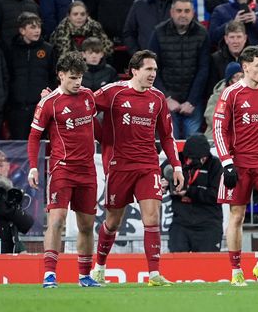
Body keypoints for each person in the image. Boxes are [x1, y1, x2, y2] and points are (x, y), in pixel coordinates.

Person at [90, 50, 184, 287]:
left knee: (152, 217)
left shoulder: (158, 98)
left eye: (154, 69)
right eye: (148, 69)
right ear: (134, 70)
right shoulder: (113, 92)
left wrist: (177, 166)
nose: (153, 74)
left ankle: (154, 275)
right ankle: (99, 268)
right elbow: (85, 105)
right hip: (119, 165)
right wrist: (102, 137)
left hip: (147, 165)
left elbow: (167, 135)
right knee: (113, 221)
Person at [213, 45, 258, 286]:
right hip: (239, 163)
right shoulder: (231, 94)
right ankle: (236, 270)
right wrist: (227, 163)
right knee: (237, 217)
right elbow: (219, 130)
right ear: (245, 67)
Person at [27, 51, 100, 288]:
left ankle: (84, 275)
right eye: (72, 77)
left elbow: (96, 127)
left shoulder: (88, 96)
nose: (77, 82)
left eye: (80, 77)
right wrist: (33, 167)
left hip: (88, 170)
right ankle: (49, 274)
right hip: (62, 169)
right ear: (60, 75)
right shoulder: (48, 103)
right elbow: (34, 137)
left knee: (87, 225)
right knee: (56, 219)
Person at [148, 0, 210, 139]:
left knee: (193, 142)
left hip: (193, 100)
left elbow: (203, 69)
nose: (183, 15)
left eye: (187, 11)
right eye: (179, 11)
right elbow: (151, 69)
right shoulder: (158, 32)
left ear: (193, 13)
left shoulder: (202, 33)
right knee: (169, 141)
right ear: (172, 12)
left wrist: (192, 101)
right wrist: (166, 98)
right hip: (167, 98)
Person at [163, 134, 223, 252]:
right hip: (181, 223)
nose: (202, 160)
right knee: (177, 262)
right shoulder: (175, 162)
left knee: (207, 265)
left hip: (208, 223)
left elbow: (216, 195)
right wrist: (162, 183)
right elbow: (157, 174)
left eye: (204, 158)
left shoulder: (215, 165)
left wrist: (189, 191)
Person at [6, 13, 54, 140]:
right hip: (17, 109)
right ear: (22, 30)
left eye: (38, 27)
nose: (37, 30)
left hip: (40, 109)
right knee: (19, 149)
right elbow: (7, 78)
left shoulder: (48, 50)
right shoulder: (11, 50)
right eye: (32, 27)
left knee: (40, 147)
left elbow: (54, 77)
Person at [203, 61, 241, 139]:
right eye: (235, 77)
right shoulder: (218, 96)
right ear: (229, 81)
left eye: (241, 76)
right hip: (216, 137)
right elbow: (211, 118)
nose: (239, 80)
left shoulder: (247, 94)